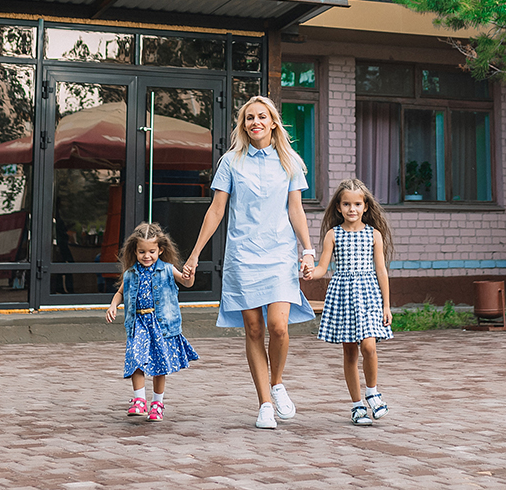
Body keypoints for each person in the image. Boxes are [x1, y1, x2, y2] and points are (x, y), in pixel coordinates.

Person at [182, 95, 316, 430]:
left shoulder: (290, 162)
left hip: (280, 254)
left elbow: (296, 210)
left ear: (273, 122)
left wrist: (309, 249)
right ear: (243, 125)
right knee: (254, 329)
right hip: (243, 255)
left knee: (279, 326)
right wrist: (195, 253)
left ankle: (278, 382)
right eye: (248, 118)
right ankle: (265, 403)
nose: (255, 122)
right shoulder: (230, 162)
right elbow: (216, 210)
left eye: (261, 117)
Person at [306, 178, 394, 425]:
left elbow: (381, 270)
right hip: (342, 295)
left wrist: (387, 304)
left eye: (357, 204)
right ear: (338, 207)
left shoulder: (373, 234)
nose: (352, 209)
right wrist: (308, 272)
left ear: (365, 206)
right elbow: (322, 268)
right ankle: (357, 406)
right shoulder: (332, 235)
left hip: (368, 295)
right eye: (346, 204)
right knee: (349, 351)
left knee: (369, 346)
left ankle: (372, 392)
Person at [106, 222, 198, 422]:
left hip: (160, 325)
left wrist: (190, 275)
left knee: (159, 364)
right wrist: (113, 306)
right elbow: (120, 293)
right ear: (135, 251)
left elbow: (185, 281)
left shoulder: (167, 269)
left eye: (151, 251)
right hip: (139, 322)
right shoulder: (131, 274)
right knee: (136, 360)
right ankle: (139, 400)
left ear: (160, 250)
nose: (146, 256)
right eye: (141, 252)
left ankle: (157, 404)